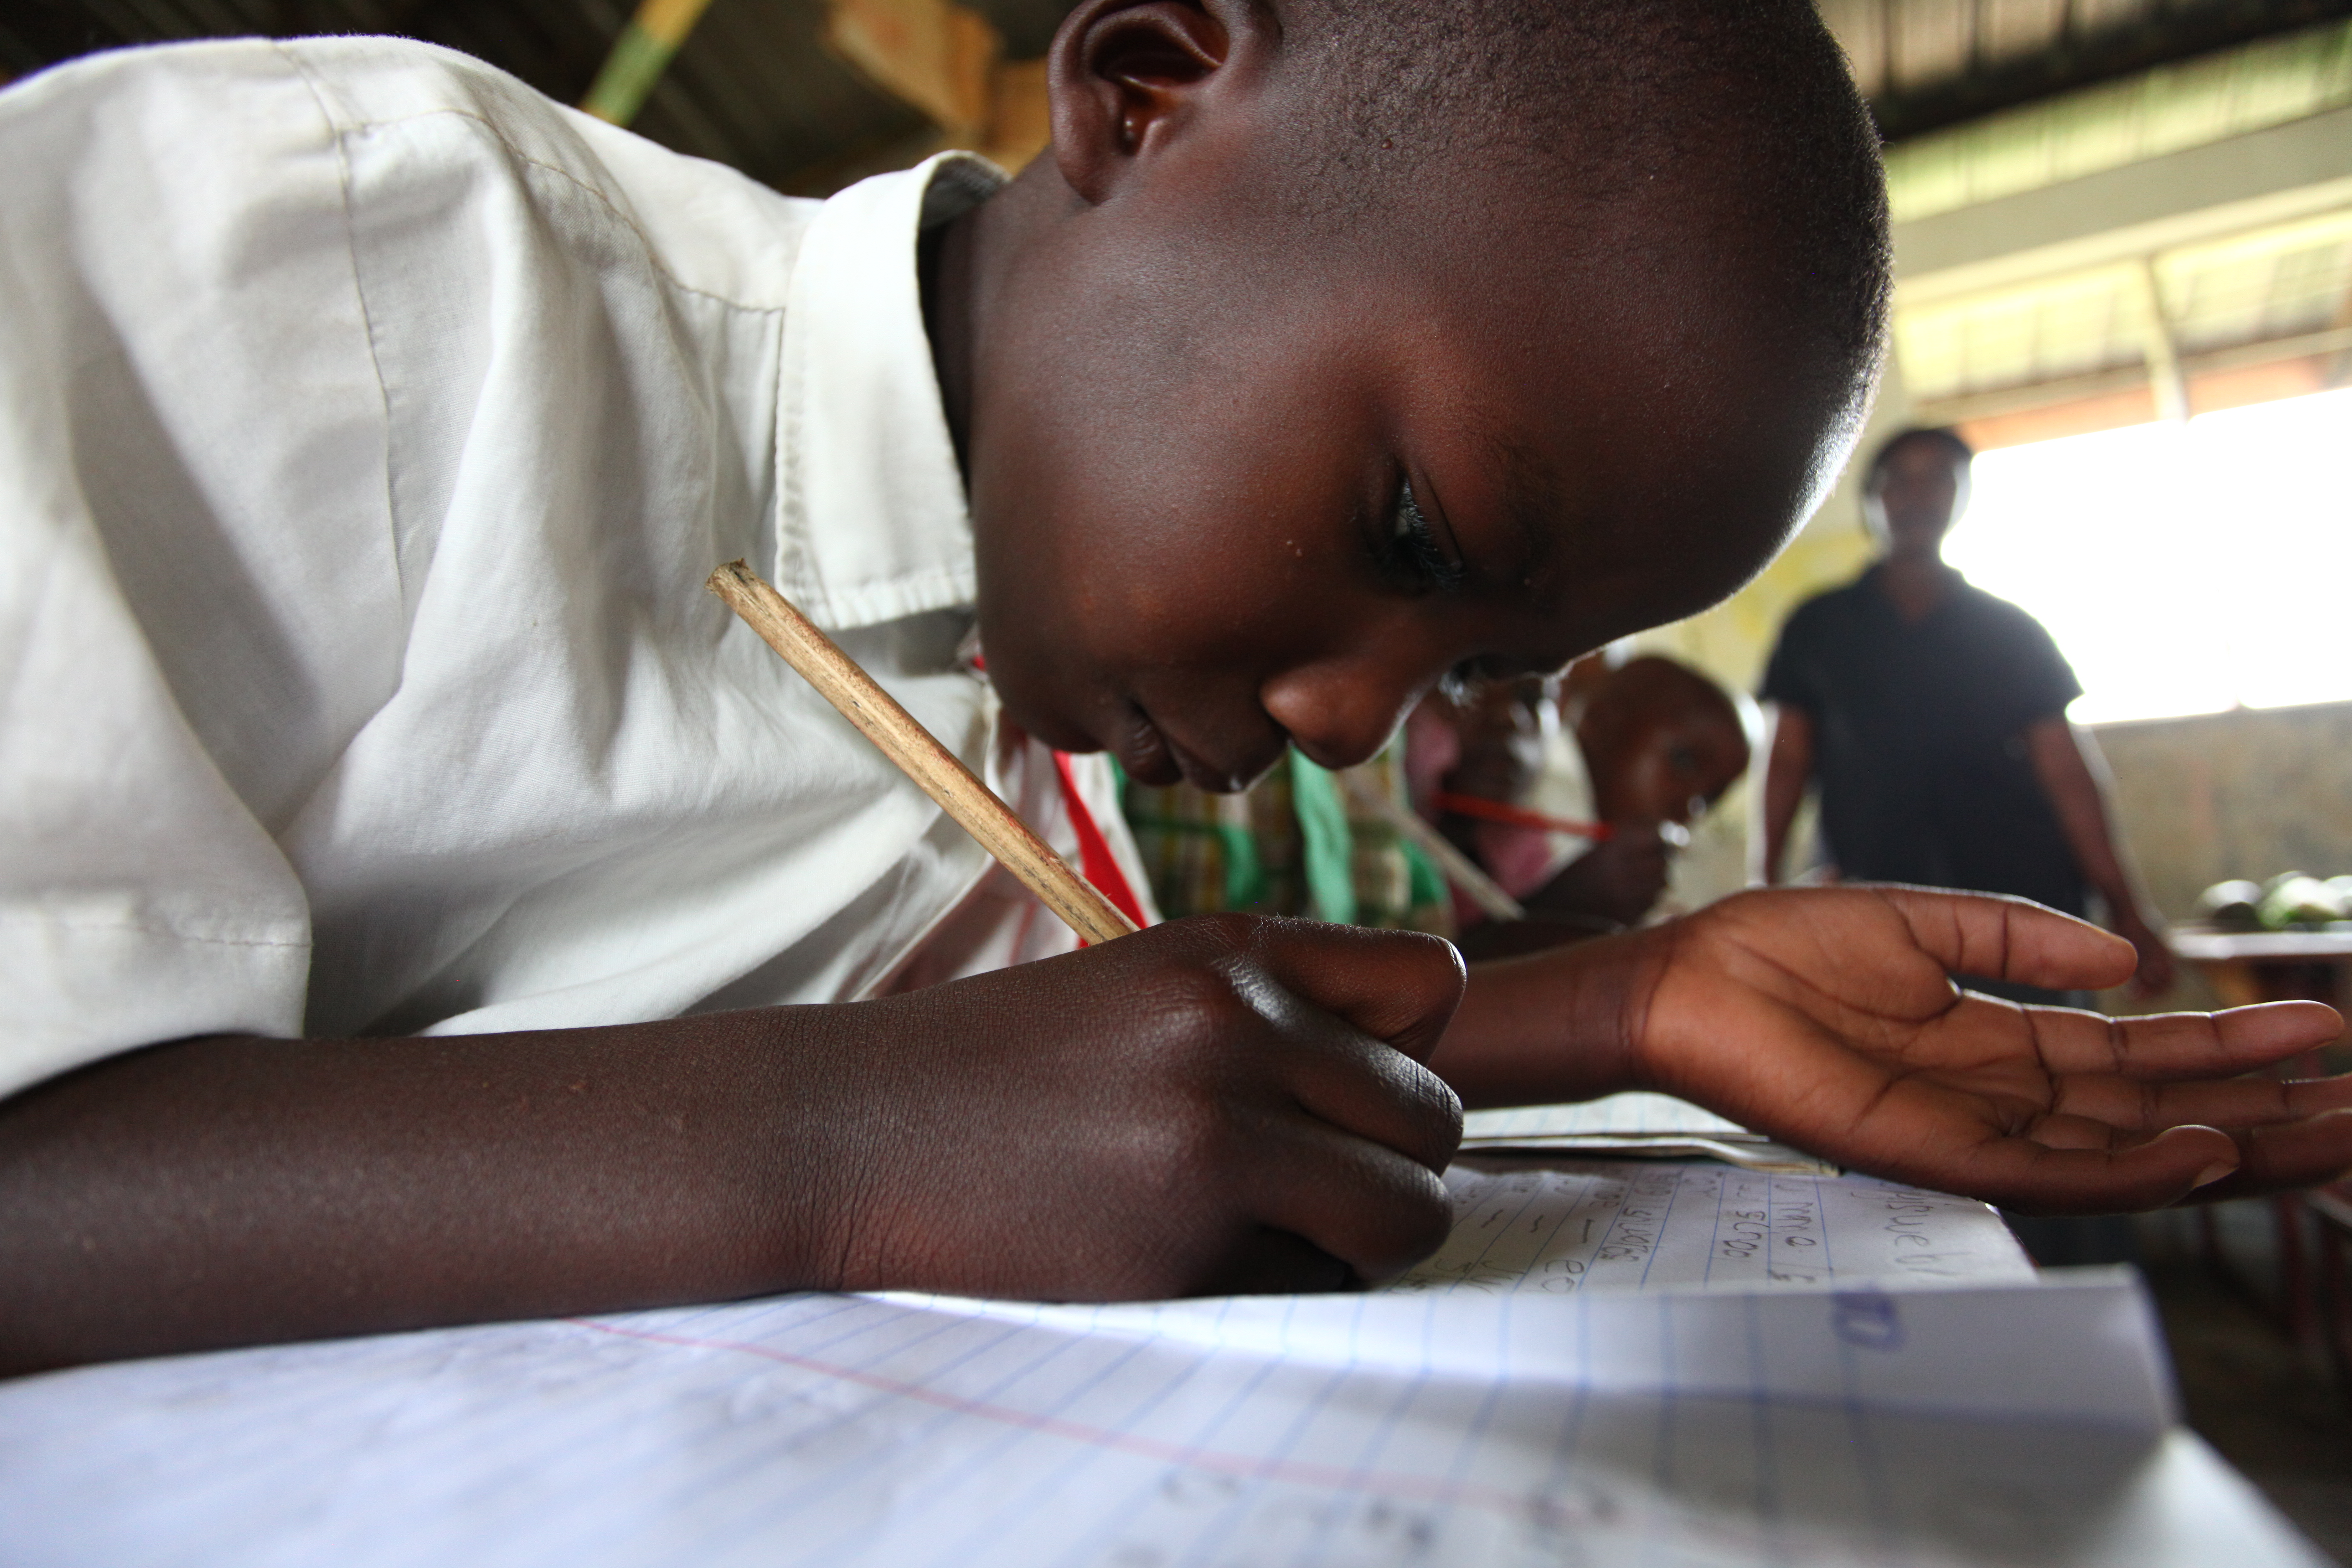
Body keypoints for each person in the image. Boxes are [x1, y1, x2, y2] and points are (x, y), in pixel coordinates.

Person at [3, 5, 2343, 1379]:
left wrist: (1636, 1000)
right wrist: (847, 1145)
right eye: (1417, 539)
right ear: (1138, 91)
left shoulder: (1030, 664)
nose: (1357, 723)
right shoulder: (348, 259)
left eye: (1484, 667)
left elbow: (1133, 1073)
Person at [1758, 428, 2175, 1003]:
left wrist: (2130, 910)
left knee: (2043, 1069)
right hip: (1871, 905)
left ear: (1963, 499)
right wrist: (1764, 885)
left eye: (1938, 479)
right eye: (1899, 479)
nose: (1917, 495)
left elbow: (2068, 775)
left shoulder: (2011, 633)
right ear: (1871, 500)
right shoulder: (1817, 627)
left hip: (2020, 904)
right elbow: (1786, 761)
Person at [1418, 657, 1753, 948]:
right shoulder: (1535, 796)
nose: (1691, 804)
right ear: (1604, 721)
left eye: (1711, 798)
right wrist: (1567, 906)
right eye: (1683, 761)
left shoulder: (1605, 849)